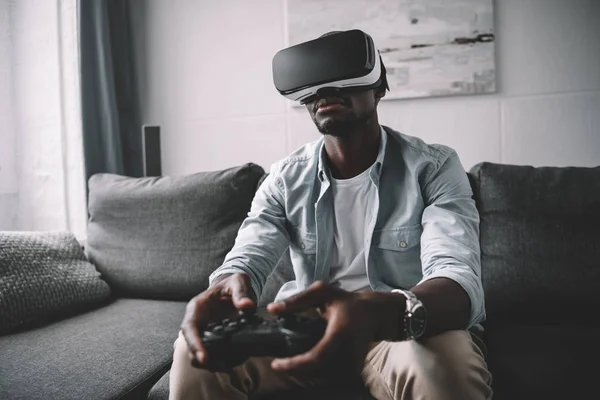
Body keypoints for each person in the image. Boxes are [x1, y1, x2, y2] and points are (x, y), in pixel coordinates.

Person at [169, 30, 493, 400]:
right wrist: (228, 281)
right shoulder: (284, 178)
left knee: (443, 372)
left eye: (342, 77)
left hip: (399, 323)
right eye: (315, 84)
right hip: (309, 326)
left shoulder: (433, 167)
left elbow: (457, 277)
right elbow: (249, 253)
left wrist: (375, 312)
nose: (326, 90)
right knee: (195, 352)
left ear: (379, 88)